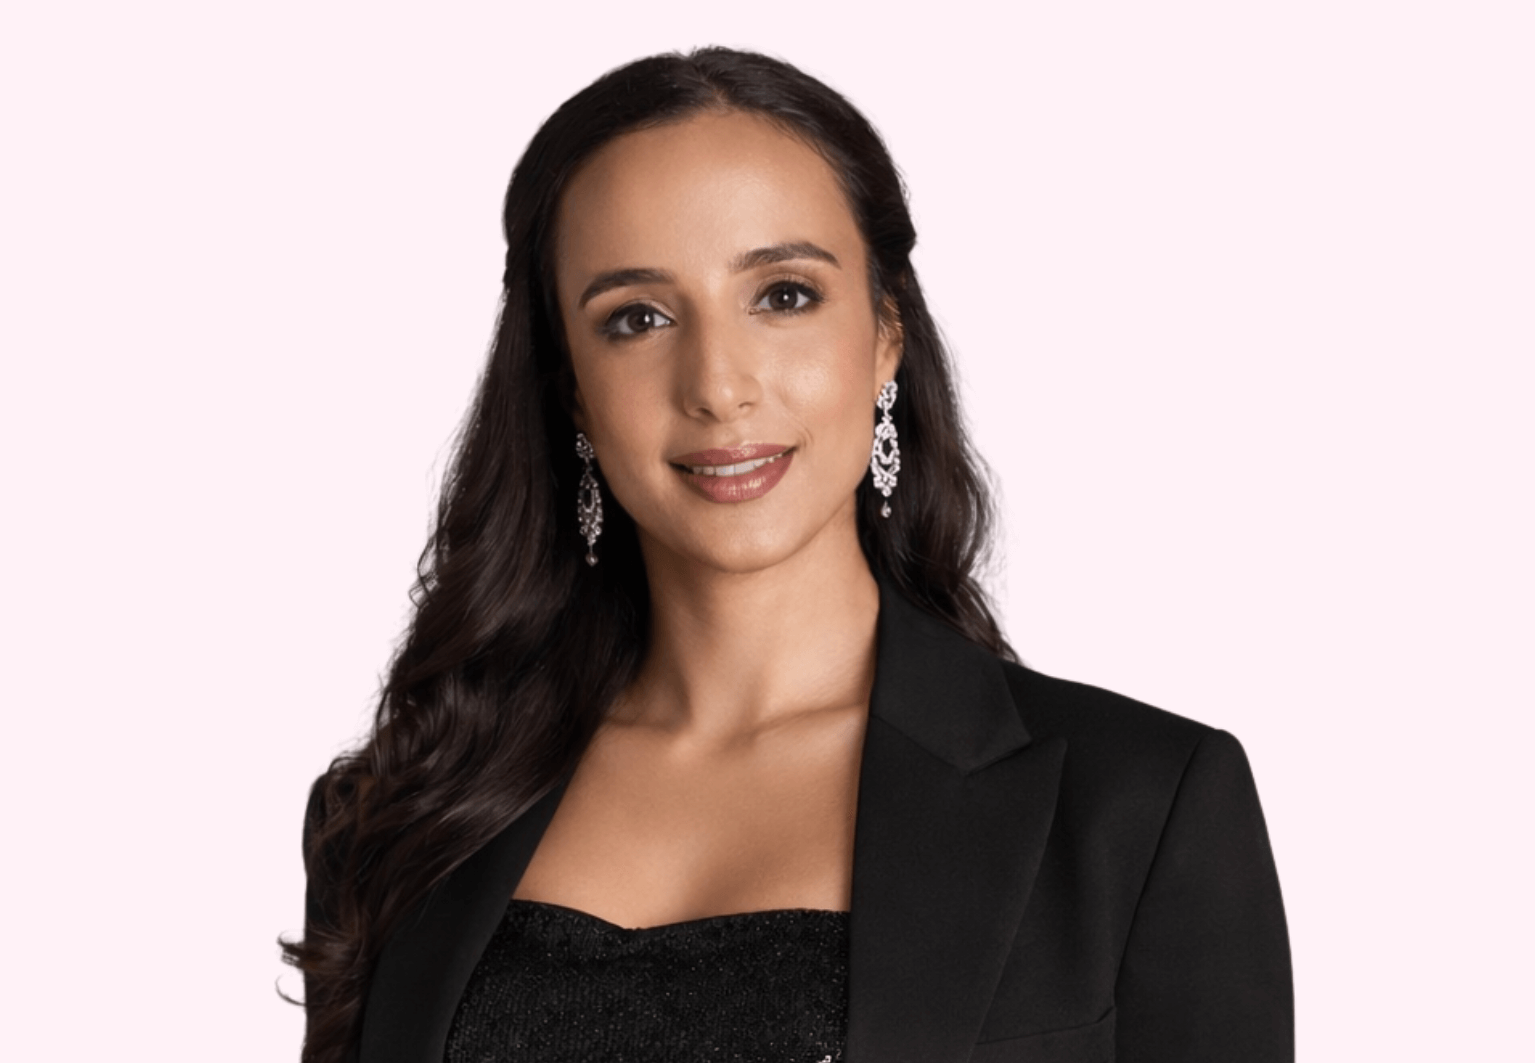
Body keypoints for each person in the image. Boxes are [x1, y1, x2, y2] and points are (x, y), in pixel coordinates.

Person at [284, 47, 1293, 1063]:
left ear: (886, 331)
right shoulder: (400, 815)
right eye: (637, 318)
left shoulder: (1137, 809)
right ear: (571, 389)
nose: (717, 386)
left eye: (782, 295)